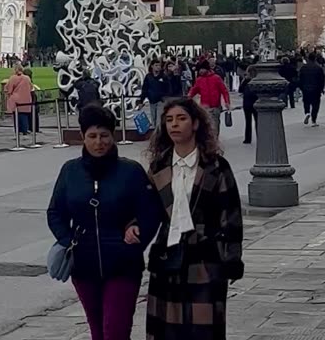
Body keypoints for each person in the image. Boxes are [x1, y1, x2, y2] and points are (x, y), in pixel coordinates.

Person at [47, 105, 163, 340]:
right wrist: (69, 241)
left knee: (115, 332)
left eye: (104, 136)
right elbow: (55, 212)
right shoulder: (70, 171)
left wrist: (138, 234)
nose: (98, 142)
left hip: (123, 264)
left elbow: (151, 211)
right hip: (83, 264)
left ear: (113, 135)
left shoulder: (130, 171)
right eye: (92, 136)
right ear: (82, 137)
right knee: (97, 331)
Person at [144, 97, 244, 340]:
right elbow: (147, 211)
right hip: (168, 255)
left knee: (203, 329)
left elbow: (231, 215)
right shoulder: (159, 167)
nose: (174, 125)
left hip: (205, 257)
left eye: (181, 118)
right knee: (167, 330)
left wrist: (231, 258)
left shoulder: (216, 167)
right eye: (169, 120)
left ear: (196, 123)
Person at [187, 61, 230, 137]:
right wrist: (189, 96)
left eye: (201, 69)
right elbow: (194, 90)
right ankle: (209, 140)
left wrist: (227, 102)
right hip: (205, 106)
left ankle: (215, 139)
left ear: (206, 69)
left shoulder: (216, 78)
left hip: (215, 105)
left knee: (215, 124)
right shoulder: (199, 80)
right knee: (206, 125)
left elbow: (224, 90)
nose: (200, 71)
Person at [298, 52, 325, 126]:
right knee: (315, 104)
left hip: (305, 88)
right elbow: (322, 79)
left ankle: (307, 112)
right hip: (316, 88)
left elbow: (300, 78)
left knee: (306, 102)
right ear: (315, 58)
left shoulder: (303, 68)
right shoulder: (318, 68)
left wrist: (301, 87)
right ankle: (314, 120)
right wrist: (322, 88)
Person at [7, 65, 36, 136]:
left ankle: (18, 130)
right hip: (26, 99)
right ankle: (25, 130)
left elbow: (9, 89)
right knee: (24, 115)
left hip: (16, 100)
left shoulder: (12, 78)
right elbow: (31, 87)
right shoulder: (27, 78)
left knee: (16, 116)